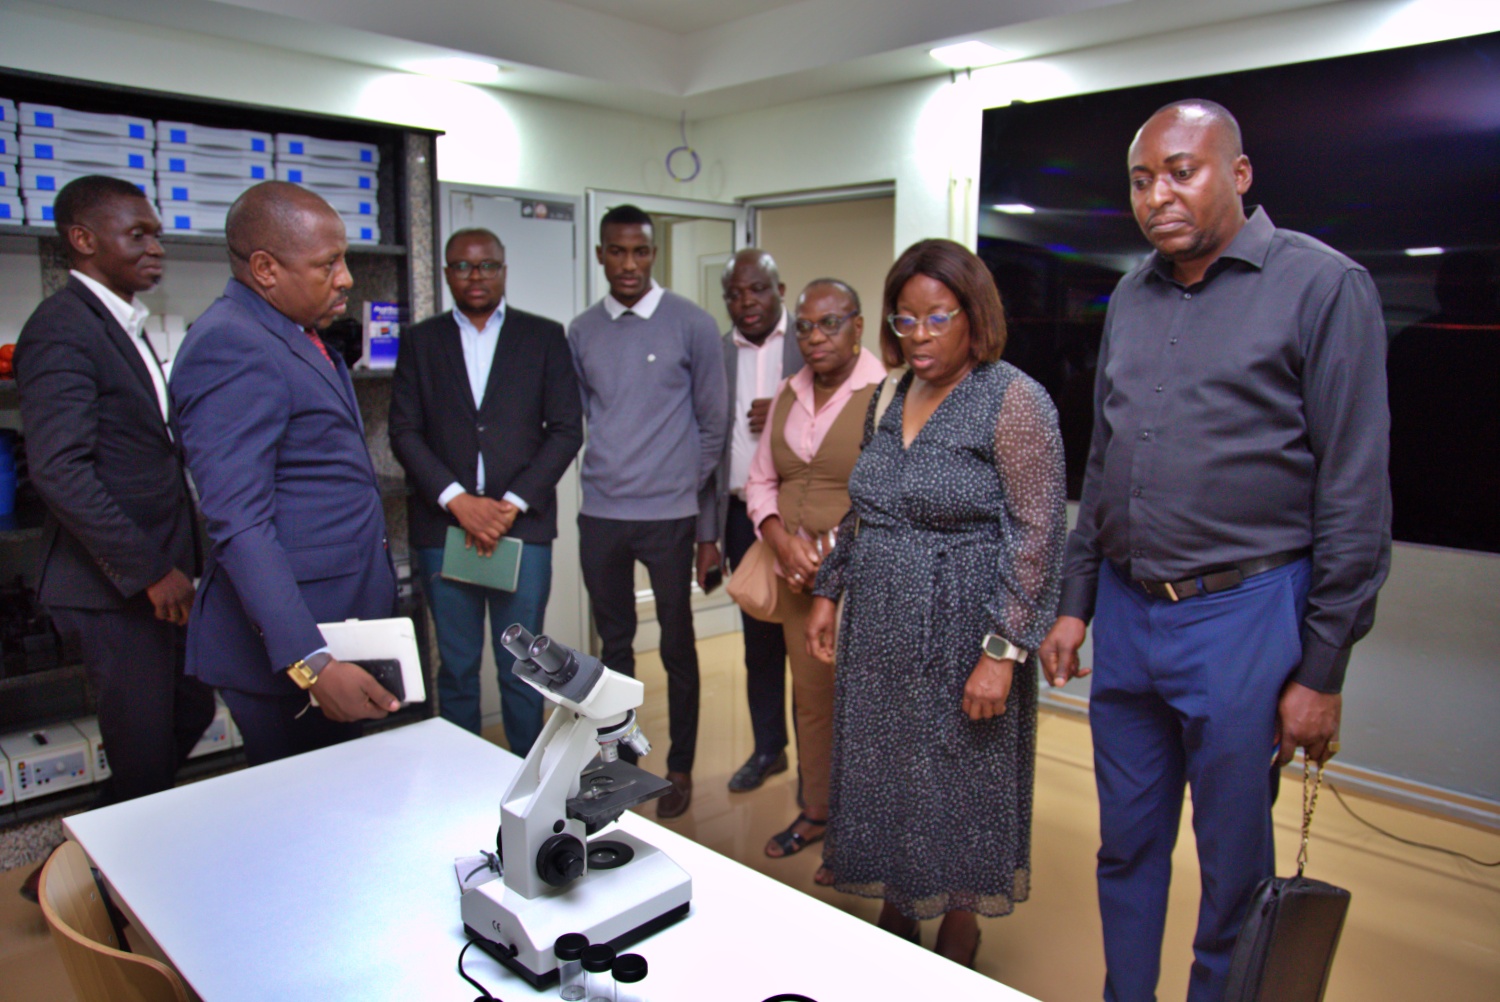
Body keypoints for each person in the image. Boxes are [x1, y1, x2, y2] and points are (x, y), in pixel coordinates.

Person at [1037, 100, 1391, 1002]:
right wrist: (1075, 600)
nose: (1156, 195)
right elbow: (1106, 459)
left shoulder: (1324, 286)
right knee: (1126, 844)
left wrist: (1322, 670)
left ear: (1238, 174)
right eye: (1140, 180)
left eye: (1181, 171)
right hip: (1127, 613)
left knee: (1233, 867)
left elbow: (1354, 492)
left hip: (1244, 617)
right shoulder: (1132, 294)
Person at [805, 239, 1066, 966]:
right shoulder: (888, 395)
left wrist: (1003, 652)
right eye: (905, 319)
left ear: (974, 316)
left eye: (937, 317)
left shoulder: (1012, 399)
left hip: (964, 631)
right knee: (886, 769)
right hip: (879, 626)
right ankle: (898, 897)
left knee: (958, 779)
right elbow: (867, 507)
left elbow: (1039, 535)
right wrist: (829, 590)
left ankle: (958, 917)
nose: (918, 336)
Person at [14, 176, 214, 880]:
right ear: (83, 239)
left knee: (187, 713)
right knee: (144, 751)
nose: (156, 247)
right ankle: (98, 884)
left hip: (159, 573)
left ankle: (73, 866)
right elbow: (59, 470)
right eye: (138, 234)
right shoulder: (61, 328)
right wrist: (150, 570)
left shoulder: (120, 323)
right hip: (112, 585)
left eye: (156, 233)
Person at [171, 180, 400, 767]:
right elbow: (240, 524)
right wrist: (312, 662)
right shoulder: (231, 344)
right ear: (265, 269)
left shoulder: (292, 331)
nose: (346, 278)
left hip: (336, 618)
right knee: (305, 806)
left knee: (340, 793)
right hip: (290, 648)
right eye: (328, 264)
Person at [390, 228, 582, 755]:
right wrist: (457, 500)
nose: (475, 276)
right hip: (443, 530)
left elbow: (567, 429)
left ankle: (526, 780)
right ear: (446, 272)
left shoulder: (543, 336)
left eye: (487, 265)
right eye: (462, 266)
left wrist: (508, 506)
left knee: (523, 667)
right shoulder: (421, 340)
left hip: (521, 529)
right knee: (455, 667)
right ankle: (462, 777)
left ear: (503, 269)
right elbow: (403, 431)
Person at [568, 204, 728, 818]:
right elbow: (588, 417)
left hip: (669, 516)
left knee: (677, 644)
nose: (629, 263)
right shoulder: (582, 331)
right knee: (613, 649)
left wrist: (678, 486)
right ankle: (619, 766)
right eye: (617, 251)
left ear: (653, 253)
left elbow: (713, 425)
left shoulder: (692, 323)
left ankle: (679, 766)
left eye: (640, 251)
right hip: (602, 513)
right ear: (601, 255)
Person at [743, 278, 886, 879]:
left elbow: (889, 493)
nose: (815, 336)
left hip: (866, 579)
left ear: (858, 326)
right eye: (804, 325)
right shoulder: (788, 390)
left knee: (868, 707)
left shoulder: (887, 393)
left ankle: (867, 836)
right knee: (812, 702)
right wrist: (780, 539)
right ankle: (818, 812)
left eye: (830, 323)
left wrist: (829, 550)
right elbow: (760, 480)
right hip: (797, 579)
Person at [713, 249, 804, 793]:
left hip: (801, 516)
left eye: (757, 289)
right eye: (734, 293)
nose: (745, 302)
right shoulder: (717, 350)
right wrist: (707, 534)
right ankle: (769, 749)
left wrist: (789, 407)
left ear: (780, 290)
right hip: (739, 516)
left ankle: (815, 763)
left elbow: (844, 415)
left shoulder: (809, 341)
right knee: (759, 641)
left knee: (808, 642)